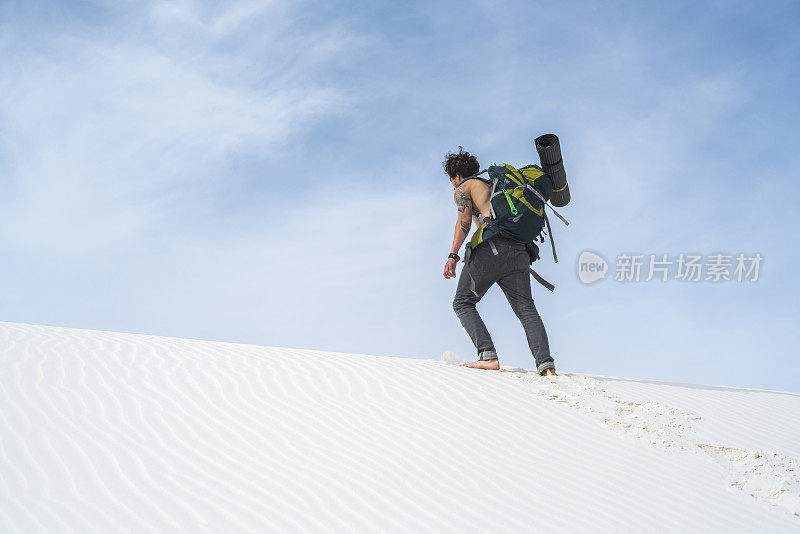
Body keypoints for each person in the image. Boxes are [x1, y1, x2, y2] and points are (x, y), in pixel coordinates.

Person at [442, 147, 557, 376]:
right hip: (520, 252)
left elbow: (464, 222)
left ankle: (487, 355)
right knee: (526, 308)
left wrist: (453, 256)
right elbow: (482, 225)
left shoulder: (464, 188)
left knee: (462, 303)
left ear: (455, 176)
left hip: (493, 249)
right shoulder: (492, 189)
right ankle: (547, 367)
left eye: (451, 179)